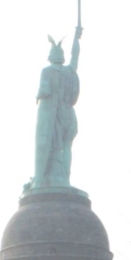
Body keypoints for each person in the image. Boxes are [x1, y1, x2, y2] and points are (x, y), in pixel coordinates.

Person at [30, 26, 83, 189]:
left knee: (50, 144)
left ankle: (43, 178)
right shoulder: (70, 71)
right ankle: (64, 179)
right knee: (66, 145)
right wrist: (77, 38)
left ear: (51, 57)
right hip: (69, 114)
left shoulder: (46, 72)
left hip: (54, 115)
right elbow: (75, 56)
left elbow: (43, 94)